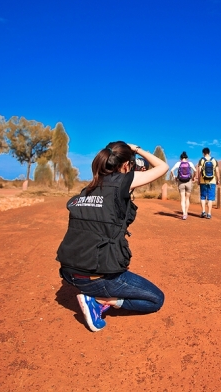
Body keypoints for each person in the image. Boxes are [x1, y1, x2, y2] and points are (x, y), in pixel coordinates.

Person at [56, 141, 169, 332]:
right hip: (96, 278)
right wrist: (137, 149)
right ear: (125, 165)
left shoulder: (87, 190)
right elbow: (163, 167)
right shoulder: (122, 182)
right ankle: (100, 301)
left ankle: (96, 293)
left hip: (68, 274)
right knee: (155, 299)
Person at [169, 151, 196, 220]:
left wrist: (174, 177)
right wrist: (193, 177)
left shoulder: (178, 163)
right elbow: (195, 171)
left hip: (180, 182)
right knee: (187, 198)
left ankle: (184, 214)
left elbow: (171, 170)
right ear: (187, 158)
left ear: (180, 158)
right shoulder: (190, 163)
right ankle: (186, 213)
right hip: (188, 182)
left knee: (182, 199)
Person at [196, 147, 220, 219]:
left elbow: (199, 171)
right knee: (210, 198)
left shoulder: (201, 160)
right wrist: (218, 180)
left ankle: (203, 212)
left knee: (203, 197)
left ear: (203, 153)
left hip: (203, 181)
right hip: (212, 181)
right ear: (209, 152)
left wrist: (199, 180)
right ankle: (209, 213)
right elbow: (217, 171)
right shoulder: (214, 160)